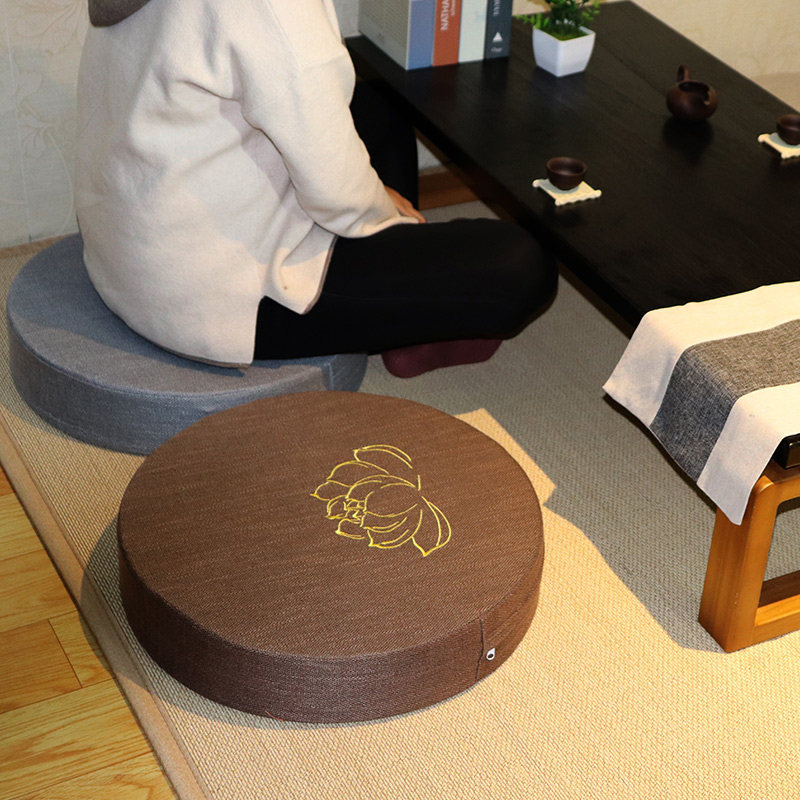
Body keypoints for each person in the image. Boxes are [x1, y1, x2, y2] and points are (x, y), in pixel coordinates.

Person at [76, 0, 556, 374]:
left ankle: (404, 317)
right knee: (521, 265)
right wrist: (387, 214)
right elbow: (337, 194)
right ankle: (407, 318)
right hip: (210, 293)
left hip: (139, 245)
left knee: (379, 111)